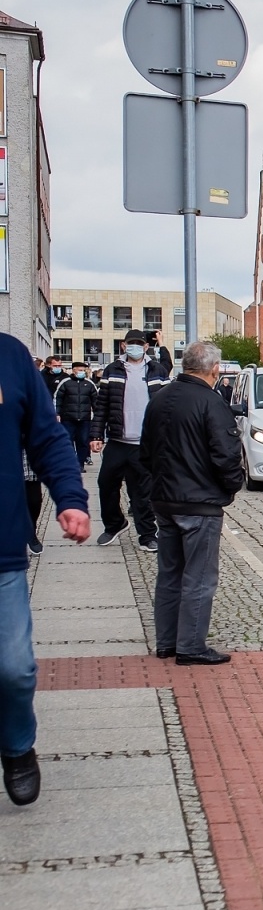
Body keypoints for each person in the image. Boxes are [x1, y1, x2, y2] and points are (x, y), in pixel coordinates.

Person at [1, 331, 92, 805]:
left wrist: (70, 499)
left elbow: (47, 437)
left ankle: (17, 746)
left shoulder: (10, 357)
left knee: (13, 669)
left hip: (2, 549)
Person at [139, 342, 243, 665]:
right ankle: (191, 646)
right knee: (199, 577)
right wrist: (232, 485)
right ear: (214, 370)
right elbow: (226, 455)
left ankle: (167, 642)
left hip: (165, 499)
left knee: (169, 574)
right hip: (199, 502)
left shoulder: (158, 400)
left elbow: (145, 453)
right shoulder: (211, 403)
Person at [90, 330, 169, 551]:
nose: (135, 347)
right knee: (106, 484)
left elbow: (167, 407)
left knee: (141, 492)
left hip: (144, 444)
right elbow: (102, 405)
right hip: (117, 440)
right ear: (124, 346)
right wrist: (96, 435)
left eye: (139, 344)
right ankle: (114, 524)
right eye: (130, 343)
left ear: (146, 347)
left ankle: (147, 535)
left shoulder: (158, 370)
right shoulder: (112, 370)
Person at [54, 361, 96, 471]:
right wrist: (57, 413)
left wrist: (97, 416)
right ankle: (71, 463)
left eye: (84, 370)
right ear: (74, 370)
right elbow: (58, 399)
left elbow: (96, 401)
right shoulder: (65, 383)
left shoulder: (89, 384)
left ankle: (80, 464)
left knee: (83, 441)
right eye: (80, 370)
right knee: (68, 441)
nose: (82, 372)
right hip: (68, 418)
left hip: (84, 418)